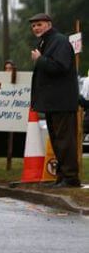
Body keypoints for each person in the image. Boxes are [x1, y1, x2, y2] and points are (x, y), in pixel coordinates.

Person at [28, 13, 81, 188]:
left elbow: (61, 66)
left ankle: (71, 177)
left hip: (62, 102)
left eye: (39, 24)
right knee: (58, 141)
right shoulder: (46, 41)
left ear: (49, 24)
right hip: (53, 103)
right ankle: (62, 176)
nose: (36, 28)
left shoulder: (59, 41)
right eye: (34, 25)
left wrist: (40, 60)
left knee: (65, 141)